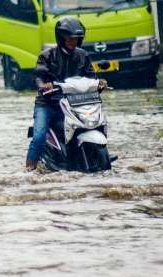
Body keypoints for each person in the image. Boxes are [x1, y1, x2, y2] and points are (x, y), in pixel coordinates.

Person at [25, 17, 107, 171]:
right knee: (39, 136)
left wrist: (99, 83)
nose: (72, 42)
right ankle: (29, 168)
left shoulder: (83, 55)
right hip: (47, 104)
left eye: (75, 39)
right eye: (69, 38)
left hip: (73, 103)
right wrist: (44, 85)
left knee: (88, 125)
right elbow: (39, 76)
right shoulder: (47, 55)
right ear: (61, 38)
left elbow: (91, 77)